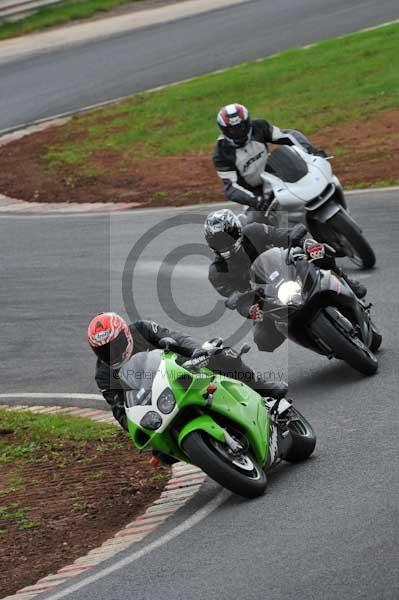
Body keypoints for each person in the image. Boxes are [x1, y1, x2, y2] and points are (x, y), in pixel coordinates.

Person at [87, 312, 288, 433]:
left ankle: (260, 386)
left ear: (125, 334)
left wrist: (197, 352)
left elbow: (177, 338)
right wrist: (135, 428)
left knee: (222, 354)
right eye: (103, 350)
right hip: (157, 405)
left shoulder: (141, 329)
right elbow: (119, 410)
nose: (110, 353)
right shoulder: (104, 375)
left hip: (182, 371)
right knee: (160, 452)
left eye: (114, 345)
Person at [205, 209, 367, 352]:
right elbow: (237, 299)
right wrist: (243, 305)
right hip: (266, 300)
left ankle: (346, 281)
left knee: (319, 253)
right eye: (219, 241)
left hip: (288, 270)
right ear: (211, 244)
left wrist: (304, 242)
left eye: (227, 237)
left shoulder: (254, 231)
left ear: (237, 231)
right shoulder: (217, 272)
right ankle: (314, 339)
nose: (225, 244)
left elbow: (283, 235)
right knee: (263, 340)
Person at [213, 102, 325, 215]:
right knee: (253, 224)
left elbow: (287, 135)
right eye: (233, 130)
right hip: (253, 193)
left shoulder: (259, 127)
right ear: (225, 130)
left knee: (303, 181)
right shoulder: (221, 153)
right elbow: (231, 187)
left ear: (247, 123)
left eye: (241, 127)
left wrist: (311, 150)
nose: (239, 132)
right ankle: (286, 231)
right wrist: (255, 200)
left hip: (275, 176)